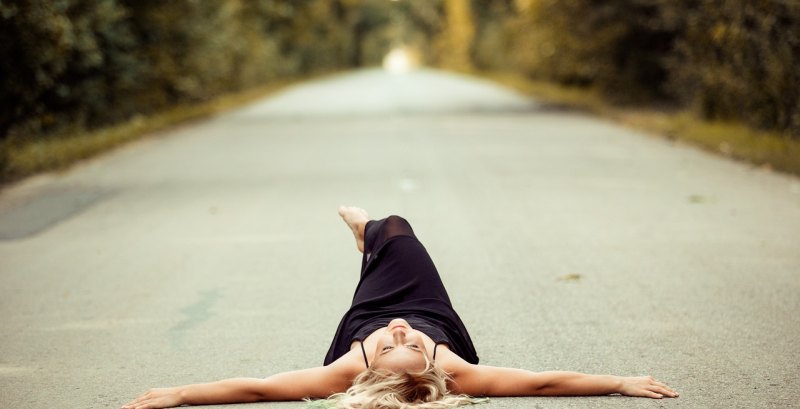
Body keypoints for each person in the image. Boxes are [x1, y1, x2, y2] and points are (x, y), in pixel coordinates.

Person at [122, 206, 678, 409]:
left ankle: (368, 242)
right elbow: (539, 385)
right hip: (434, 305)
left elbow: (261, 389)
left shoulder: (349, 367)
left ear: (368, 367)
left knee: (382, 235)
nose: (400, 331)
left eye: (394, 345)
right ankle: (374, 236)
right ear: (432, 365)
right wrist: (620, 381)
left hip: (357, 318)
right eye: (409, 345)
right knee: (399, 229)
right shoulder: (454, 370)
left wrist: (182, 394)